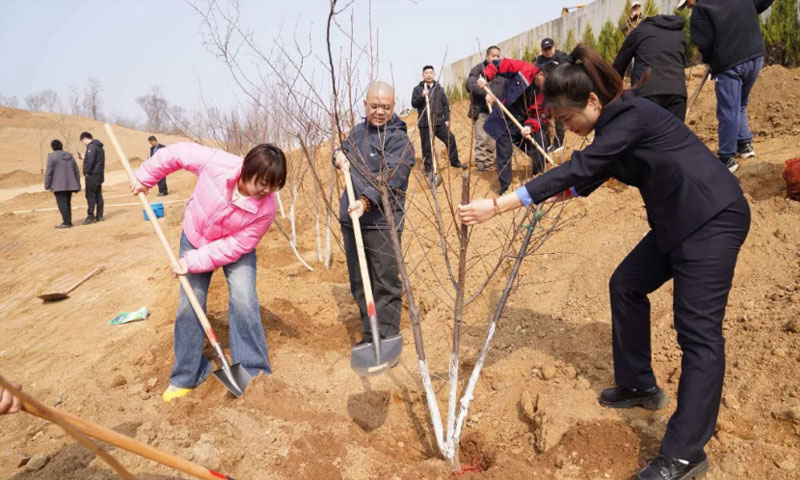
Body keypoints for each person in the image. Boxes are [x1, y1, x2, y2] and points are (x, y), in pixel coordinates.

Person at [459, 46, 750, 480]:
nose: (569, 129)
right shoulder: (616, 125)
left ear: (593, 101)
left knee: (698, 333)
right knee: (626, 284)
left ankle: (684, 453)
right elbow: (589, 174)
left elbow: (583, 166)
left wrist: (500, 205)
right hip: (676, 221)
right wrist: (556, 193)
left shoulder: (632, 116)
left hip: (711, 218)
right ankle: (637, 384)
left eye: (569, 119)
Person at [131, 142, 287, 402]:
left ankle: (252, 371)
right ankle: (187, 375)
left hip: (235, 248)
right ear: (246, 169)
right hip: (195, 237)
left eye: (274, 186)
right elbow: (177, 153)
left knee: (244, 299)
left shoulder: (266, 208)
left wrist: (194, 261)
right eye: (263, 183)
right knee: (189, 302)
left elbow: (236, 245)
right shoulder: (217, 163)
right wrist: (146, 177)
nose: (267, 191)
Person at [333, 81, 414, 346]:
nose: (380, 112)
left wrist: (366, 201)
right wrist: (337, 155)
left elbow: (391, 177)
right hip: (352, 220)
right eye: (375, 106)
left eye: (386, 107)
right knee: (359, 281)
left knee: (385, 282)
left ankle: (386, 337)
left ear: (394, 106)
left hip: (382, 222)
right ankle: (370, 335)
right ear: (365, 104)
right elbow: (342, 152)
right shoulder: (357, 133)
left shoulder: (399, 141)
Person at [680, 0, 775, 172]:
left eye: (687, 3)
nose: (688, 7)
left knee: (728, 109)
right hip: (756, 56)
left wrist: (710, 60)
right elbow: (762, 2)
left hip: (730, 62)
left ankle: (726, 158)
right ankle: (744, 145)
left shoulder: (702, 8)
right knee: (740, 104)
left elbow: (704, 42)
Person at [477, 57, 546, 195]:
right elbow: (500, 64)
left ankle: (537, 178)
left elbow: (539, 115)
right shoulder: (524, 69)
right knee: (504, 153)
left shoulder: (546, 92)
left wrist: (530, 126)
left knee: (539, 145)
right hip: (504, 117)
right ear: (541, 74)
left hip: (523, 123)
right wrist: (485, 77)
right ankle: (505, 188)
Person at [613, 14, 688, 121]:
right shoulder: (679, 33)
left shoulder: (640, 31)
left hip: (646, 93)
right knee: (674, 131)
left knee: (646, 131)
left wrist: (613, 92)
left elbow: (619, 64)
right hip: (677, 93)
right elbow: (681, 61)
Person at [411, 65, 464, 182]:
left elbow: (445, 104)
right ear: (423, 75)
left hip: (439, 122)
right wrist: (422, 96)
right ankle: (429, 169)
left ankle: (455, 162)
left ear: (434, 74)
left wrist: (447, 119)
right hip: (425, 123)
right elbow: (414, 103)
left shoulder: (439, 88)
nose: (429, 75)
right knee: (427, 147)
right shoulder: (418, 89)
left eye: (431, 73)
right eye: (426, 73)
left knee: (450, 138)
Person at [466, 46, 502, 171]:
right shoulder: (478, 70)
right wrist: (485, 94)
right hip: (480, 110)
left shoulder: (500, 71)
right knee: (481, 137)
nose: (495, 58)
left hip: (495, 110)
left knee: (492, 139)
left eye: (498, 56)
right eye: (493, 56)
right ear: (487, 56)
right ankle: (480, 163)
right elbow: (470, 85)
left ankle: (488, 164)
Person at [535, 38, 570, 152]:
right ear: (542, 50)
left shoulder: (562, 56)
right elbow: (536, 69)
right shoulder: (539, 60)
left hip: (560, 91)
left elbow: (567, 67)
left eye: (549, 48)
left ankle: (558, 143)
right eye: (545, 49)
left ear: (554, 47)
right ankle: (547, 143)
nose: (548, 51)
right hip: (545, 92)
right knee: (544, 117)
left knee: (559, 116)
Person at [44, 139, 81, 228]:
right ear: (61, 146)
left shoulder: (52, 157)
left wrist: (47, 185)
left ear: (52, 147)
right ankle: (68, 221)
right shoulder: (70, 156)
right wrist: (78, 184)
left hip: (59, 186)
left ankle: (66, 222)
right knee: (67, 203)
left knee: (62, 204)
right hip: (71, 185)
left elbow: (49, 172)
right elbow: (76, 171)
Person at [77, 132, 105, 224]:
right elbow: (94, 159)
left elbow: (90, 162)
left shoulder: (91, 147)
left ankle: (90, 216)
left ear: (85, 138)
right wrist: (85, 158)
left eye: (82, 141)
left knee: (90, 196)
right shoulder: (99, 147)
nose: (83, 143)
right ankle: (100, 216)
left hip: (92, 175)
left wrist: (86, 172)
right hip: (99, 174)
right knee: (98, 195)